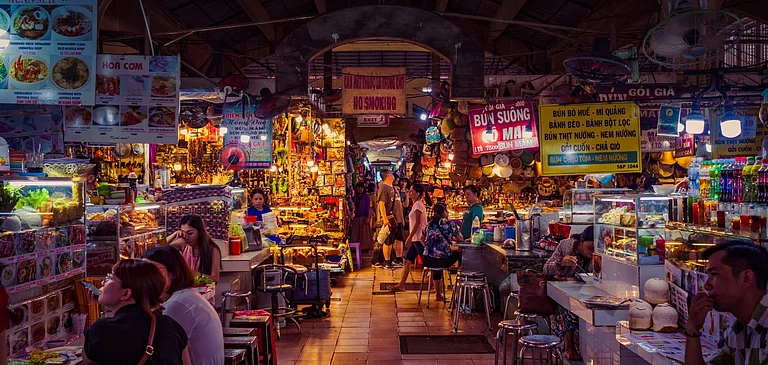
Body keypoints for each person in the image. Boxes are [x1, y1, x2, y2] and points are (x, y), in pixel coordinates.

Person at [83, 259, 190, 365]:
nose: (102, 282)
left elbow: (88, 362)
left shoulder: (102, 330)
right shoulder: (171, 326)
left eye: (109, 278)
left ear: (125, 294)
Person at [684, 241, 768, 365]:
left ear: (746, 279)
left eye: (714, 274)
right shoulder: (736, 331)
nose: (706, 285)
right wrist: (692, 330)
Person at [143, 246, 225, 365]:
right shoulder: (184, 296)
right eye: (142, 271)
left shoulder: (178, 304)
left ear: (174, 273)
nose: (147, 277)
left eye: (154, 270)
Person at [542, 226, 596, 361]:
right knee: (568, 307)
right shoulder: (566, 246)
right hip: (560, 293)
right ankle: (569, 346)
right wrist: (561, 263)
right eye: (590, 248)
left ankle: (586, 347)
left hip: (585, 291)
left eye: (595, 249)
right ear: (581, 242)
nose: (592, 252)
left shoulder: (598, 256)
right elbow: (546, 269)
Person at [388, 183, 431, 292]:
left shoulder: (418, 205)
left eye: (412, 191)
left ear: (417, 193)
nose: (410, 192)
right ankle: (401, 284)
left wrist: (409, 237)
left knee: (428, 263)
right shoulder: (416, 204)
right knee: (407, 261)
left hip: (418, 238)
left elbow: (417, 223)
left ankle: (435, 286)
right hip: (415, 239)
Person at [422, 203, 463, 301]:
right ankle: (461, 282)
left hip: (427, 259)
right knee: (459, 255)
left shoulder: (429, 225)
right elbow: (461, 238)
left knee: (436, 267)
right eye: (447, 210)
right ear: (444, 212)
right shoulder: (449, 224)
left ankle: (438, 294)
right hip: (442, 261)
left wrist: (431, 249)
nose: (448, 212)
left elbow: (421, 239)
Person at [168, 215, 222, 282]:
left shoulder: (212, 249)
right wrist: (174, 234)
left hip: (203, 290)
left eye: (190, 233)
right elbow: (158, 249)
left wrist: (194, 274)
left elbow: (215, 279)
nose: (186, 237)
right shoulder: (183, 244)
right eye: (183, 233)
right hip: (186, 289)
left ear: (199, 232)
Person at [374, 169, 405, 269]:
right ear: (387, 175)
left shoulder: (395, 188)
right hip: (391, 219)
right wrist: (384, 218)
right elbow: (381, 204)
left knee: (399, 239)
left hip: (399, 218)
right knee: (388, 240)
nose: (393, 175)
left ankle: (398, 259)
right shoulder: (383, 187)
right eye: (391, 174)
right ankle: (387, 261)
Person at [350, 182, 373, 251]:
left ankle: (364, 247)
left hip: (363, 217)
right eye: (358, 188)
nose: (360, 189)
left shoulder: (366, 197)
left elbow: (367, 208)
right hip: (356, 217)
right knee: (356, 232)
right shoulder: (354, 197)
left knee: (364, 233)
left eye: (361, 188)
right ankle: (355, 247)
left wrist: (367, 217)